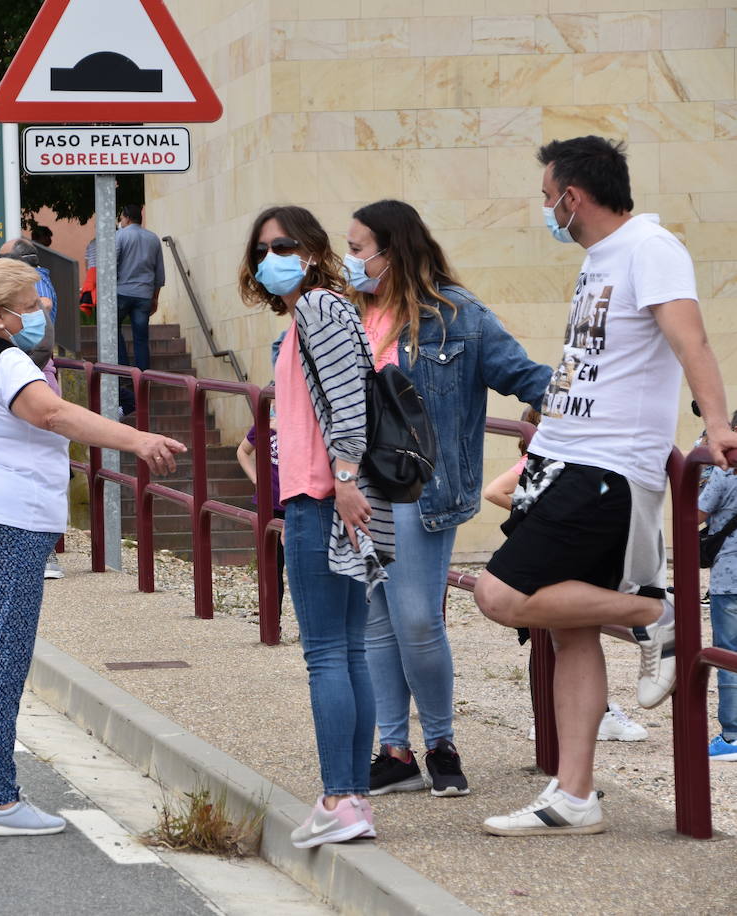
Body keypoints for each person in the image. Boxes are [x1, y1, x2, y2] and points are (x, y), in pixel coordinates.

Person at [474, 136, 737, 836]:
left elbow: (693, 341)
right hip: (562, 453)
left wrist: (715, 424)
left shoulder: (650, 247)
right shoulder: (600, 259)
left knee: (500, 594)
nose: (545, 210)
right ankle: (574, 794)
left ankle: (657, 614)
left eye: (546, 197)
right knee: (572, 633)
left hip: (607, 468)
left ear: (573, 196)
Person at [0, 258, 184, 836]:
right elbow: (53, 413)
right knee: (1, 658)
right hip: (4, 521)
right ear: (0, 315)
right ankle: (0, 800)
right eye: (31, 301)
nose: (41, 309)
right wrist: (137, 438)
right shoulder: (9, 360)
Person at [342, 199, 553, 799]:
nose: (350, 260)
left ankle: (440, 742)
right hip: (358, 488)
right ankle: (394, 749)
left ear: (392, 249)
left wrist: (582, 406)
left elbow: (526, 377)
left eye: (358, 249)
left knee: (416, 617)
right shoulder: (348, 315)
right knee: (378, 617)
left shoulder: (457, 316)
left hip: (423, 489)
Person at [239, 205, 391, 848]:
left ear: (312, 249)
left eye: (285, 244)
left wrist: (347, 478)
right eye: (264, 248)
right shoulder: (328, 307)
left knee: (328, 653)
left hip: (319, 498)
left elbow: (349, 399)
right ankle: (351, 797)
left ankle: (339, 798)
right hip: (333, 495)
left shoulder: (318, 309)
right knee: (349, 651)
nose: (273, 256)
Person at [485, 407, 649, 744]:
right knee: (553, 629)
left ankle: (568, 723)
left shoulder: (559, 454)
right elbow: (495, 491)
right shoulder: (546, 457)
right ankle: (652, 612)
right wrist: (541, 519)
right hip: (561, 535)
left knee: (569, 633)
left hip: (578, 519)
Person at [698, 445, 737, 763]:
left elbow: (695, 513)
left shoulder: (725, 474)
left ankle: (732, 736)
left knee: (728, 655)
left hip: (730, 577)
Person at [115, 204, 165, 416]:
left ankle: (124, 369)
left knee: (112, 328)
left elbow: (112, 264)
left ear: (126, 217)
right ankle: (143, 377)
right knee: (141, 337)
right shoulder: (153, 238)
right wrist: (155, 299)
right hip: (144, 294)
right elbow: (159, 272)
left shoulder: (120, 236)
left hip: (122, 292)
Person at [236, 414, 284, 608]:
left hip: (298, 502)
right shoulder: (264, 425)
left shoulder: (302, 423)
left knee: (304, 568)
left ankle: (306, 628)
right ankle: (274, 622)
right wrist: (256, 479)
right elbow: (242, 451)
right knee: (272, 566)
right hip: (270, 504)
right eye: (272, 405)